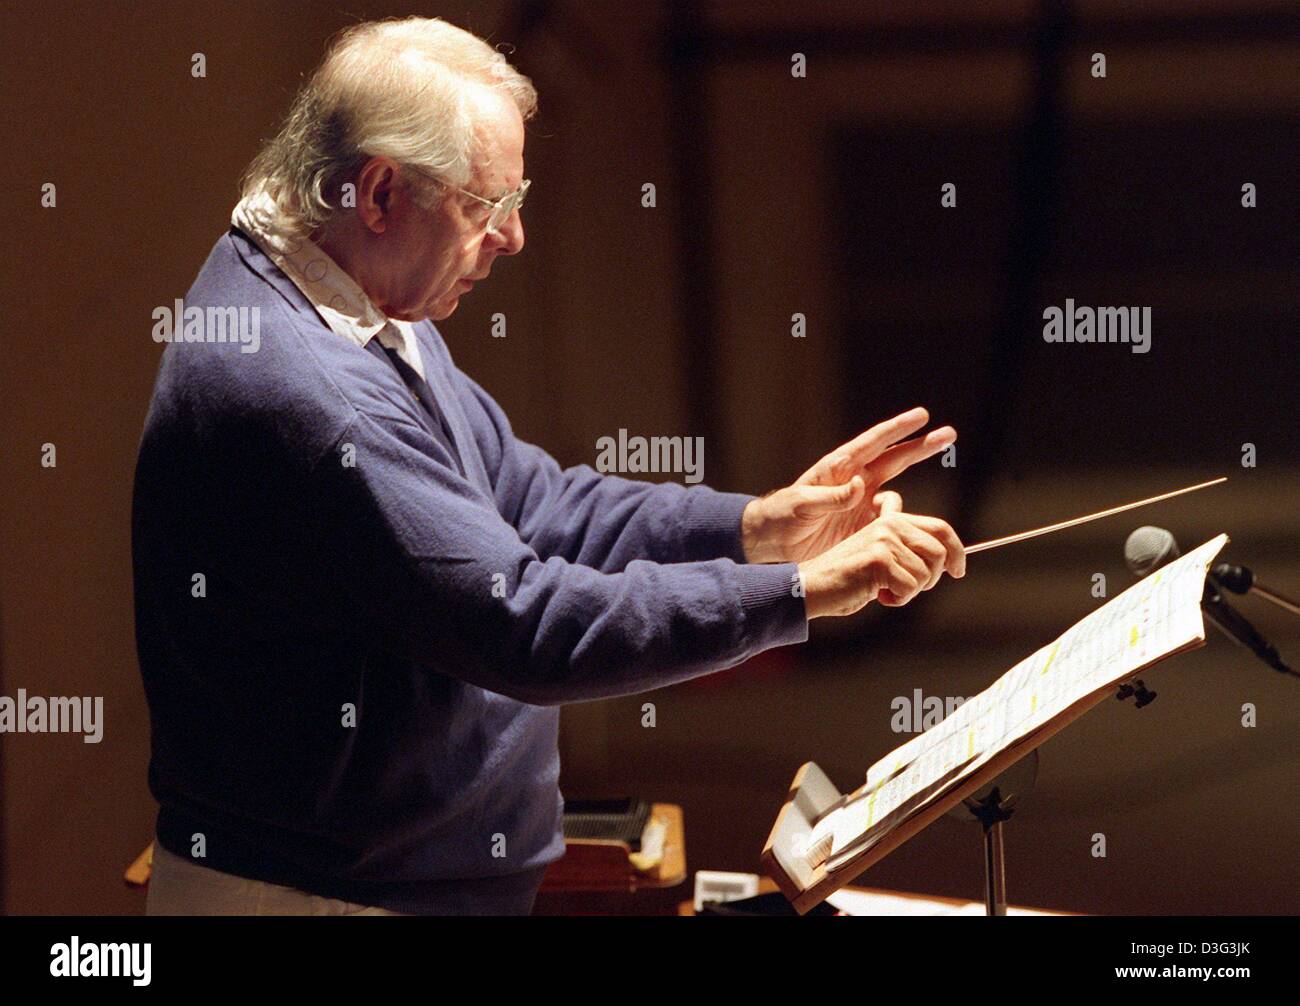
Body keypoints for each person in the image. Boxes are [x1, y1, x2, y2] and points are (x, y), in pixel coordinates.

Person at [133, 16, 964, 916]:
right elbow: (522, 625)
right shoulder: (307, 389)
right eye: (485, 206)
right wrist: (797, 592)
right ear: (377, 195)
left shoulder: (354, 295)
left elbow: (535, 500)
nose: (514, 236)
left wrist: (757, 528)